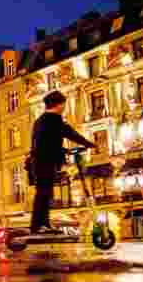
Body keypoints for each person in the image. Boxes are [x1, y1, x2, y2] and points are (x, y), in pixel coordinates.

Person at [30, 91, 96, 234]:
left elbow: (47, 142)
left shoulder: (41, 120)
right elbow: (69, 133)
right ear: (59, 104)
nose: (64, 107)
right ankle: (38, 226)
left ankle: (42, 224)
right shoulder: (53, 119)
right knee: (43, 193)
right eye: (63, 104)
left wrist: (64, 150)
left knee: (44, 193)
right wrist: (88, 143)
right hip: (44, 161)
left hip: (40, 161)